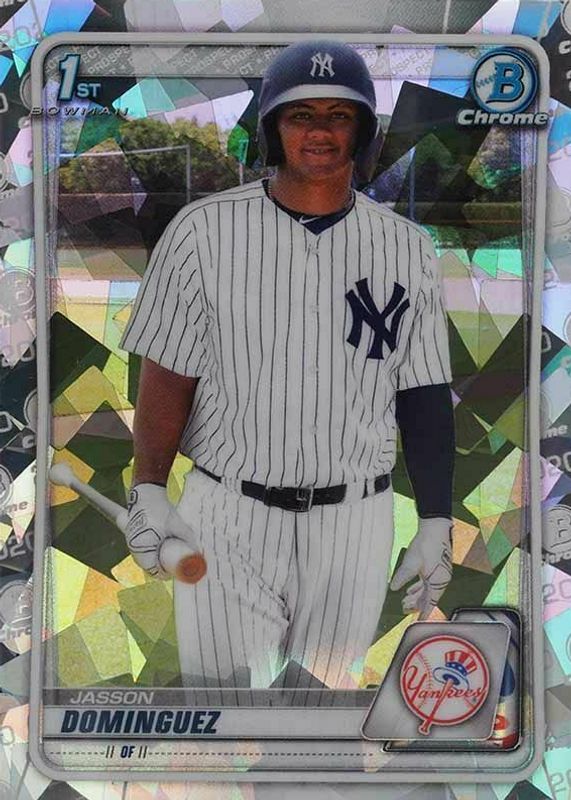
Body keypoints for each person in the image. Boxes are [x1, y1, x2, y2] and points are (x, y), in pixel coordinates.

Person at [120, 40, 455, 691]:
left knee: (320, 716)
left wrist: (436, 517)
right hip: (228, 513)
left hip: (355, 522)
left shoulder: (407, 248)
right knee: (225, 711)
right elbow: (169, 372)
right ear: (273, 127)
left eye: (339, 115)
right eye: (302, 115)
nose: (320, 132)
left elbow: (421, 393)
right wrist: (150, 487)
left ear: (362, 132)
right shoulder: (202, 231)